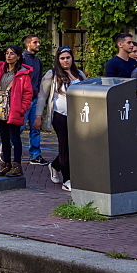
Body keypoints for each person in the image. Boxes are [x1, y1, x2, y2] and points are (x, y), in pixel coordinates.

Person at [35, 48, 87, 192]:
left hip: (78, 116)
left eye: (68, 58)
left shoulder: (79, 74)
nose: (65, 61)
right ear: (58, 60)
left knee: (75, 147)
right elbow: (42, 96)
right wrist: (38, 116)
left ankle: (55, 165)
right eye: (62, 58)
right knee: (64, 146)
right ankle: (67, 179)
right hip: (60, 115)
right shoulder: (52, 74)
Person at [0, 46, 34, 177]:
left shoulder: (23, 74)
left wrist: (21, 109)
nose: (8, 56)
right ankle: (6, 164)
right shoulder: (1, 71)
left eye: (12, 54)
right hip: (1, 109)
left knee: (15, 138)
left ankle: (17, 165)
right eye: (7, 53)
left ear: (18, 56)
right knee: (4, 138)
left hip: (14, 110)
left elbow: (28, 94)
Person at [22, 34, 46, 165]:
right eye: (35, 42)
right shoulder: (22, 59)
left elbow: (39, 78)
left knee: (35, 127)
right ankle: (7, 148)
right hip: (23, 99)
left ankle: (35, 155)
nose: (38, 45)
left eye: (38, 42)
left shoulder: (38, 61)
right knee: (18, 127)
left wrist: (38, 92)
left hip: (34, 98)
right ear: (28, 44)